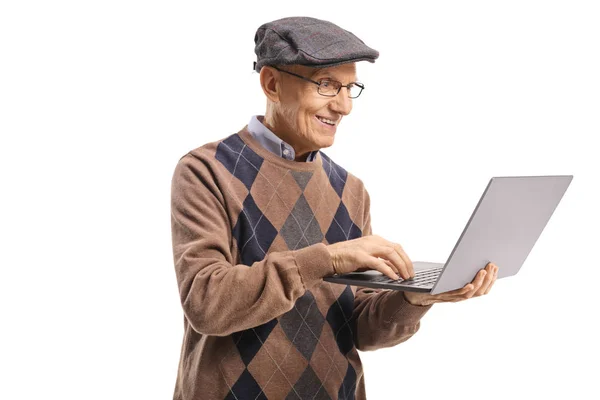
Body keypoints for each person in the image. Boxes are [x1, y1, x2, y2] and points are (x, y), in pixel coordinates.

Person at [170, 16, 498, 400]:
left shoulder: (351, 190)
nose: (344, 106)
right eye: (326, 85)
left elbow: (357, 329)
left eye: (349, 88)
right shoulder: (206, 170)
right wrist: (326, 259)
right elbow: (208, 304)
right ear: (272, 84)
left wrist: (413, 299)